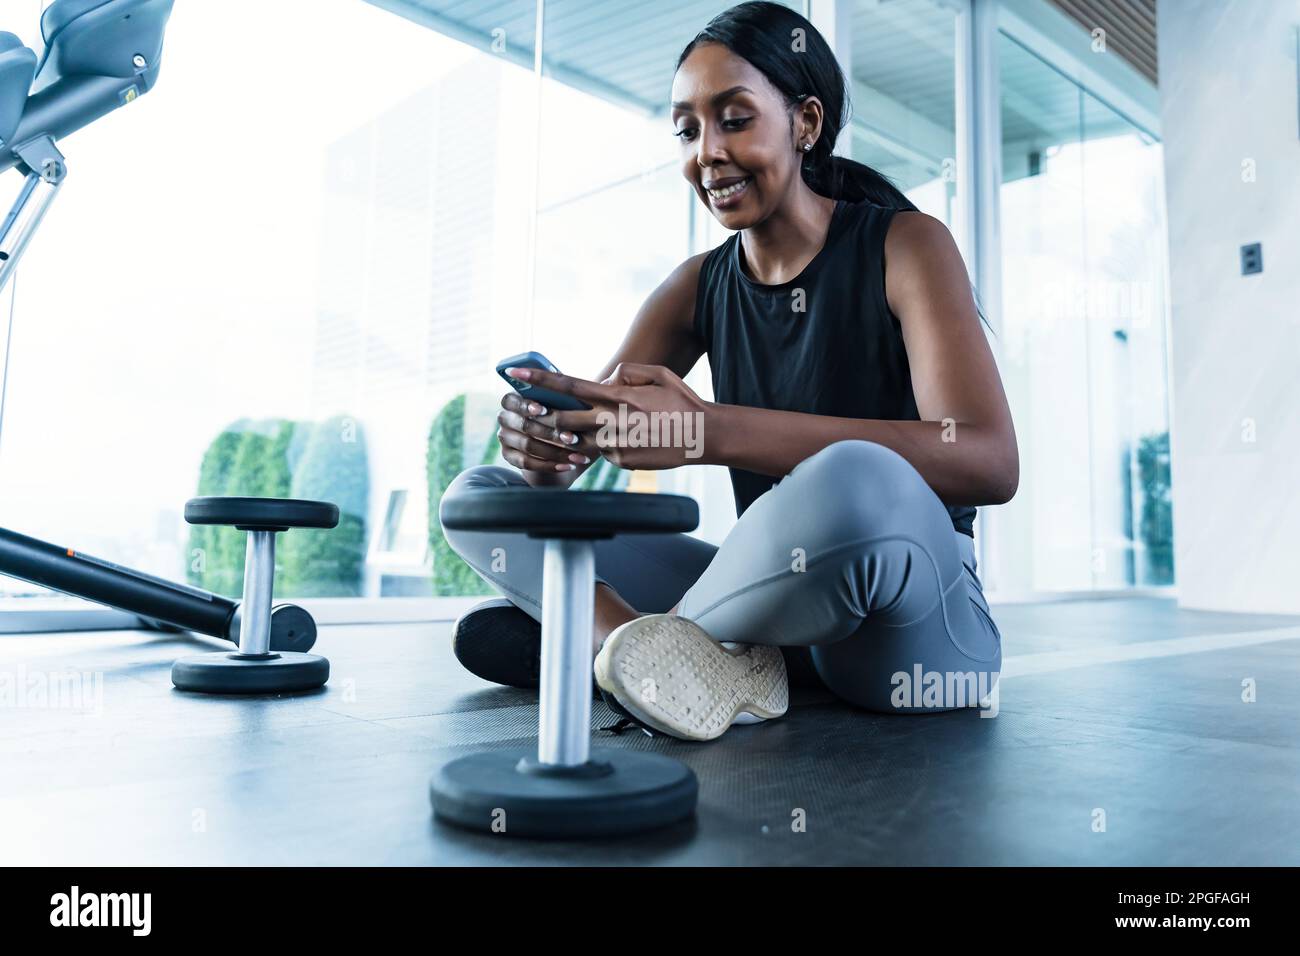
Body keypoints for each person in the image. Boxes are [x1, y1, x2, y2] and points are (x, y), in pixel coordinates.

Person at [440, 1, 1018, 741]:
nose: (705, 152)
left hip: (913, 625)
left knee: (855, 476)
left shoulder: (907, 245)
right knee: (479, 497)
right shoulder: (696, 284)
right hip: (783, 614)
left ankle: (620, 645)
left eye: (734, 119)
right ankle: (662, 656)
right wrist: (549, 449)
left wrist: (709, 431)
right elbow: (579, 458)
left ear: (805, 123)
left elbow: (991, 462)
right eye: (686, 129)